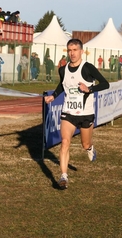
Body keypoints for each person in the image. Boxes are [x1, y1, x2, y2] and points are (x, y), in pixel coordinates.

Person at [44, 39, 109, 190]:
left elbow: (105, 83)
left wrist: (89, 89)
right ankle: (63, 177)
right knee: (65, 142)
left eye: (75, 50)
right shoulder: (63, 69)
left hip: (86, 114)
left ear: (81, 51)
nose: (72, 53)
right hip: (69, 112)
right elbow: (62, 85)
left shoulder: (87, 68)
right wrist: (53, 96)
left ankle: (90, 148)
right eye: (69, 50)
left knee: (85, 144)